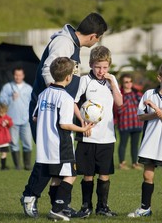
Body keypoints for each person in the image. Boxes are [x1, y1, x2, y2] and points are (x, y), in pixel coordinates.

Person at [21, 12, 107, 218]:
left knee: (59, 162)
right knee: (51, 159)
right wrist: (58, 98)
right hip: (52, 112)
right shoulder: (63, 43)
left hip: (62, 110)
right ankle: (30, 195)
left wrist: (75, 109)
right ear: (94, 36)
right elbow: (48, 71)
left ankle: (59, 206)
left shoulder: (71, 44)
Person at [31, 57, 94, 221]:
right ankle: (57, 209)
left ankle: (57, 209)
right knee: (71, 175)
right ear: (69, 77)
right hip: (60, 144)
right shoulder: (65, 98)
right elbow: (65, 124)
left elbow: (36, 117)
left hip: (45, 145)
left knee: (56, 177)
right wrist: (82, 128)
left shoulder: (43, 94)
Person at [127, 62, 162, 219]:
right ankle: (145, 208)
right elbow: (141, 116)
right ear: (159, 77)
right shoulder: (149, 93)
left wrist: (155, 108)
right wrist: (153, 112)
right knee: (148, 176)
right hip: (150, 139)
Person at [74, 45, 123, 217]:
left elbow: (119, 103)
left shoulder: (112, 80)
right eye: (97, 67)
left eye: (104, 67)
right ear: (90, 65)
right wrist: (82, 124)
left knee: (104, 174)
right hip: (88, 136)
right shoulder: (84, 80)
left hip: (107, 136)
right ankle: (86, 207)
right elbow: (73, 103)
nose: (101, 71)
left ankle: (103, 207)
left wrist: (113, 84)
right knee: (88, 175)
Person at [0, 67, 33, 170]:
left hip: (26, 120)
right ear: (13, 75)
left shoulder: (28, 88)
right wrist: (10, 98)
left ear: (23, 75)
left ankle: (27, 165)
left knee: (28, 143)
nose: (18, 77)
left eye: (20, 75)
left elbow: (32, 103)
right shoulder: (7, 87)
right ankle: (17, 165)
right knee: (14, 143)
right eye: (16, 75)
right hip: (11, 120)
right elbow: (1, 100)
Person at [115, 73, 144, 170]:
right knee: (123, 144)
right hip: (124, 124)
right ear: (122, 83)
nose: (128, 84)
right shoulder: (119, 95)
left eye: (130, 81)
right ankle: (122, 163)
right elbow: (118, 109)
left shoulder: (137, 94)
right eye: (126, 82)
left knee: (135, 145)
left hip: (136, 123)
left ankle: (135, 163)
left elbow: (143, 108)